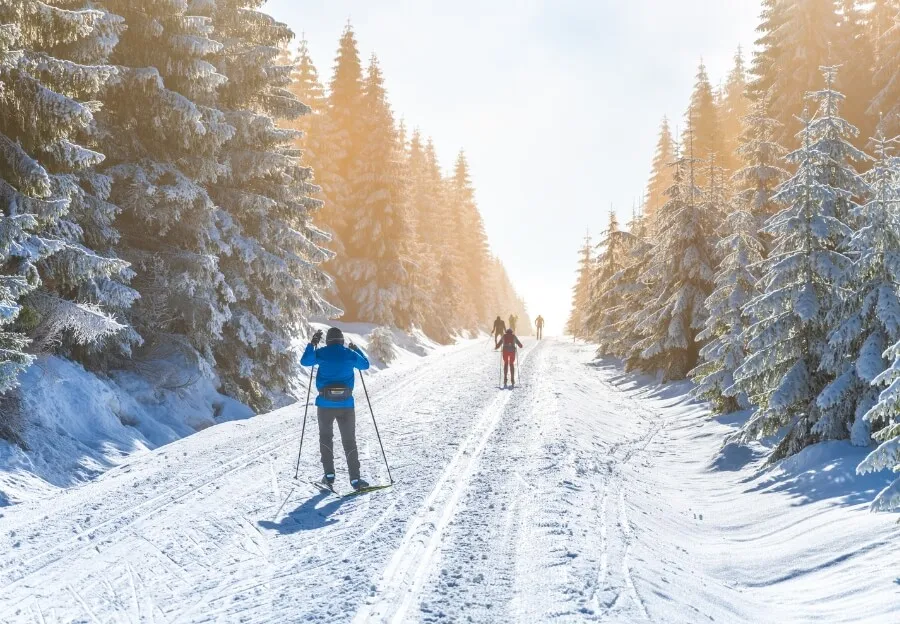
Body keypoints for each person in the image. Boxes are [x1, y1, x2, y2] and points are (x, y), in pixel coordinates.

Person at [301, 327, 371, 491]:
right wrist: (356, 349)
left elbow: (305, 361)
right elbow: (365, 365)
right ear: (341, 340)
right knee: (349, 441)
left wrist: (312, 344)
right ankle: (355, 480)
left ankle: (329, 476)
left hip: (325, 405)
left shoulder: (322, 353)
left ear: (327, 341)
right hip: (346, 405)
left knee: (326, 438)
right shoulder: (349, 354)